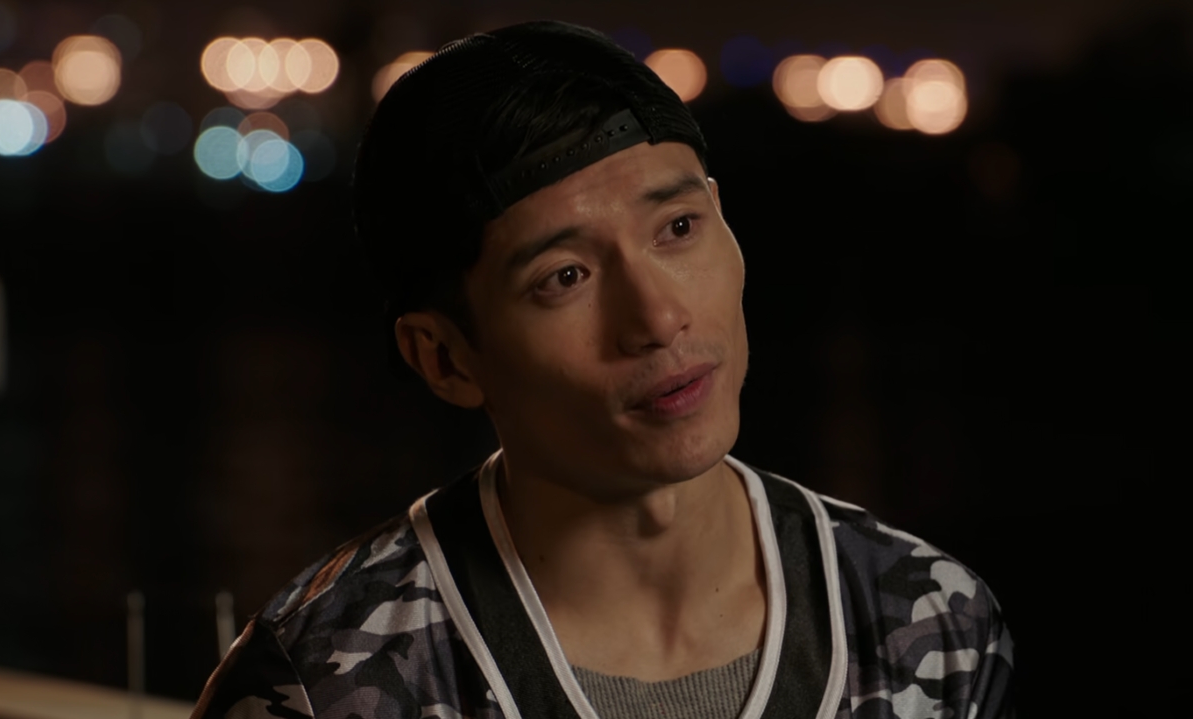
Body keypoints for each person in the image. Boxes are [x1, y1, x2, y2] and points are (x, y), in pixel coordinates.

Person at [191, 20, 1013, 719]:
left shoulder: (934, 622)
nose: (657, 319)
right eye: (565, 277)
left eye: (679, 228)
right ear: (444, 357)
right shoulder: (324, 681)